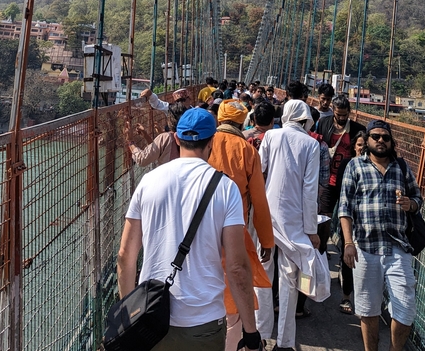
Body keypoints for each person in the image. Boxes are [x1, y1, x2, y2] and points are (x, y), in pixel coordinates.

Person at [117, 107, 263, 351]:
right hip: (203, 322)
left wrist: (130, 317)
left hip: (151, 319)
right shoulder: (226, 189)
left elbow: (125, 257)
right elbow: (237, 268)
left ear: (176, 138)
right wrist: (250, 333)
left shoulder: (148, 181)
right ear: (212, 142)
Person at [339, 120, 423, 351]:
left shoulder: (402, 167)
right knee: (368, 308)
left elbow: (418, 199)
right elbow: (344, 209)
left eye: (385, 137)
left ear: (391, 142)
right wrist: (348, 243)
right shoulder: (355, 166)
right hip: (365, 246)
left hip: (398, 247)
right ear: (367, 140)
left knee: (405, 309)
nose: (380, 141)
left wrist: (410, 205)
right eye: (375, 136)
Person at [208, 100, 274, 351]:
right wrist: (267, 241)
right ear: (242, 121)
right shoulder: (247, 151)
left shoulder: (204, 144)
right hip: (234, 232)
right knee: (234, 294)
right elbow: (258, 200)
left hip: (198, 233)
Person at [255, 100, 320, 351]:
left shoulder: (270, 136)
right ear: (305, 119)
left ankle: (259, 336)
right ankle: (284, 342)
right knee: (290, 281)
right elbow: (309, 189)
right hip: (295, 222)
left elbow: (259, 171)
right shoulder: (312, 144)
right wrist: (311, 229)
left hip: (267, 217)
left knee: (262, 276)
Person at [316, 93, 362, 253]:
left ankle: (345, 249)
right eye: (338, 115)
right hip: (327, 179)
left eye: (344, 115)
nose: (341, 118)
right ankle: (322, 250)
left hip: (347, 181)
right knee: (325, 217)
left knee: (347, 216)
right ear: (333, 111)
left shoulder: (357, 129)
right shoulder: (323, 123)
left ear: (349, 112)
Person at [333, 130, 366, 314]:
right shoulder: (347, 164)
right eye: (359, 145)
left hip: (365, 220)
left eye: (364, 145)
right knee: (349, 256)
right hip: (349, 216)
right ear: (354, 146)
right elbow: (340, 190)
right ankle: (347, 297)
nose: (362, 148)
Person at [125, 100, 187, 167]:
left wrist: (130, 141)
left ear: (170, 119)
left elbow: (142, 159)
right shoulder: (191, 136)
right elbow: (158, 150)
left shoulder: (167, 137)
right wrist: (146, 135)